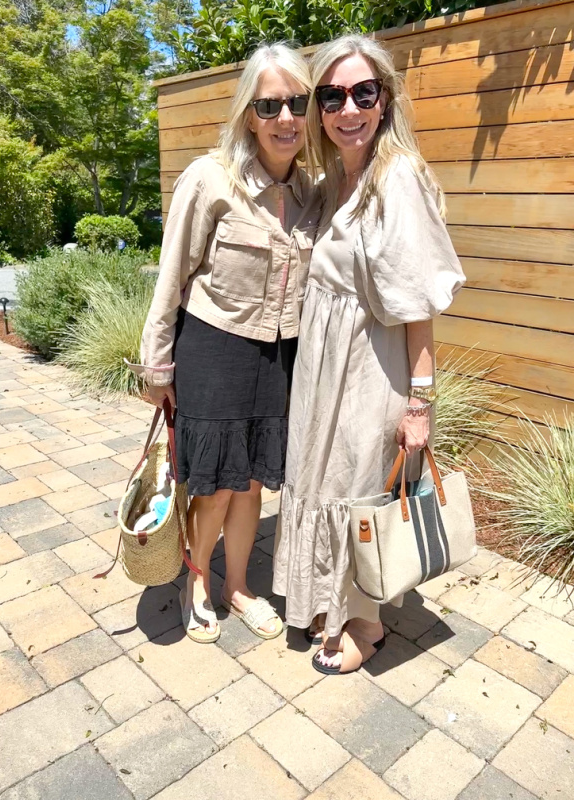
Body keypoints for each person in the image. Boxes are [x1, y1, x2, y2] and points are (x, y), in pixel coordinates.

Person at [272, 34, 465, 674]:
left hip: (369, 363)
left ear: (384, 99)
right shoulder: (336, 179)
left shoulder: (396, 177)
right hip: (323, 365)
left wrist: (420, 403)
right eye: (331, 96)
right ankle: (328, 602)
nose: (347, 108)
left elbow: (418, 308)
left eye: (362, 92)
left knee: (357, 486)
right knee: (323, 478)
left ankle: (366, 622)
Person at [129, 43, 321, 644]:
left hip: (280, 356)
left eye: (297, 102)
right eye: (270, 105)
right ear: (248, 114)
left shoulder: (315, 190)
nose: (285, 118)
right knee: (212, 487)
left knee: (254, 483)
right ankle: (195, 583)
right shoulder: (210, 179)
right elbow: (171, 279)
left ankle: (238, 587)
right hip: (215, 349)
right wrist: (157, 366)